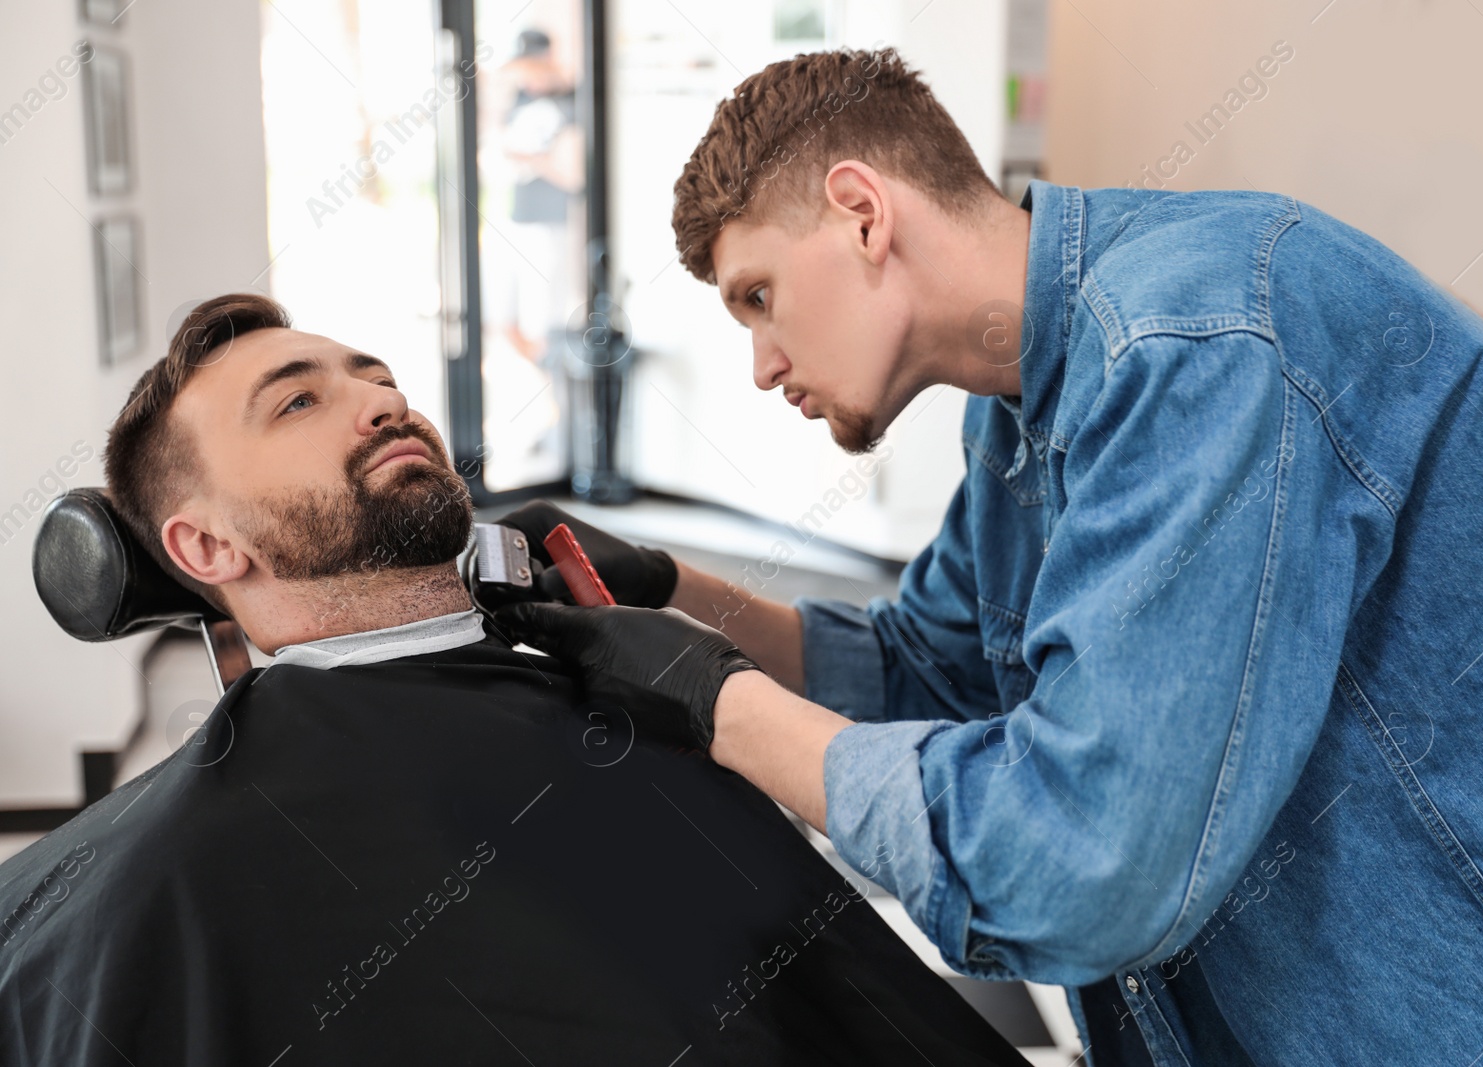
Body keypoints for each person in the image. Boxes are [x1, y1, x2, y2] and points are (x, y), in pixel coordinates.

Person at [490, 46, 1483, 1065]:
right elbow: (928, 673)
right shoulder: (1019, 407)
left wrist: (715, 700)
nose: (761, 364)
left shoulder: (1197, 340)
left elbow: (1089, 860)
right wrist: (679, 596)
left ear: (861, 212)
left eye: (758, 298)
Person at [0, 293, 1033, 1067]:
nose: (379, 403)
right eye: (299, 402)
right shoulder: (166, 879)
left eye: (375, 377)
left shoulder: (614, 684)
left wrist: (682, 611)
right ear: (205, 545)